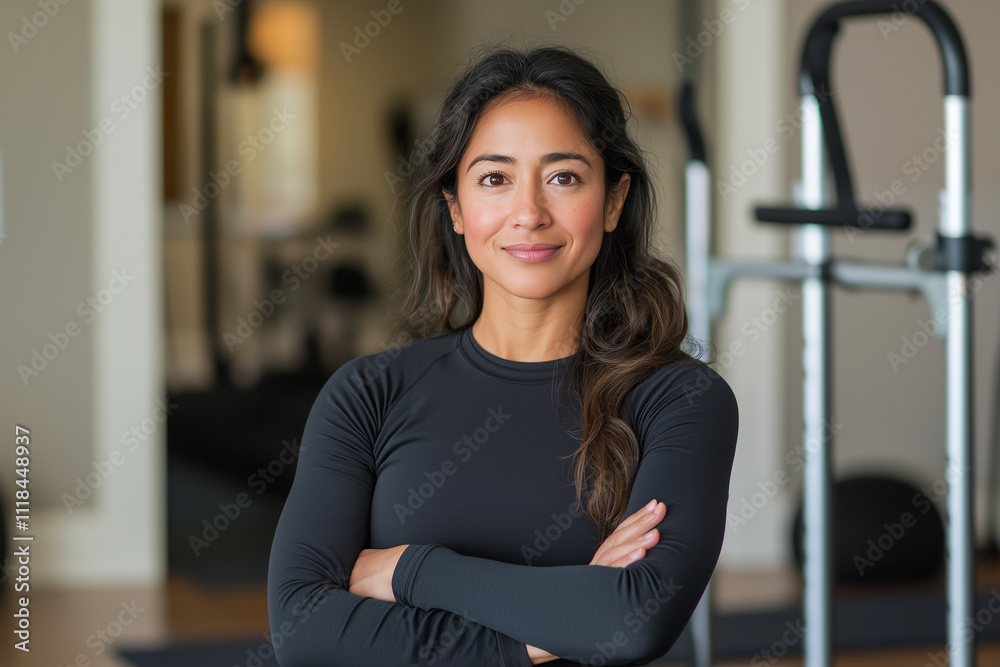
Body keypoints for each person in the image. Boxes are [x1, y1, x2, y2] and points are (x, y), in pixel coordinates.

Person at [267, 44, 739, 666]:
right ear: (456, 209)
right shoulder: (368, 392)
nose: (528, 213)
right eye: (495, 178)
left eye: (563, 177)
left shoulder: (679, 400)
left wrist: (412, 570)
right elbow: (303, 631)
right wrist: (560, 625)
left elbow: (630, 624)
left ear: (615, 201)